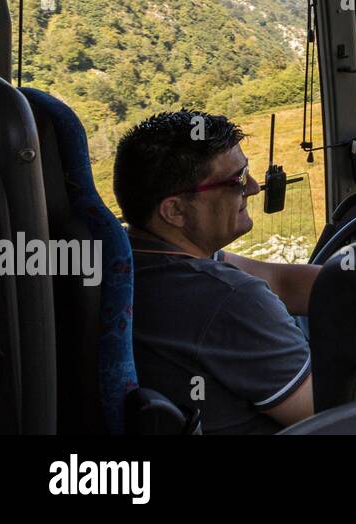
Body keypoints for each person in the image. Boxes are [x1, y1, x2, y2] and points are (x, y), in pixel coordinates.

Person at [114, 110, 323, 433]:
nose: (253, 188)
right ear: (175, 210)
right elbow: (327, 411)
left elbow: (280, 280)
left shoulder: (134, 257)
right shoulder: (227, 299)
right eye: (237, 180)